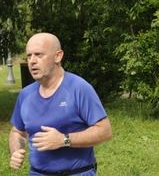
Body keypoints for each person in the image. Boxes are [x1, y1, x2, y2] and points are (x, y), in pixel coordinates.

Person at [9, 32, 112, 175]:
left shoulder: (79, 88)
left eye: (39, 55)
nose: (32, 61)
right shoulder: (25, 95)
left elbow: (104, 131)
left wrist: (64, 140)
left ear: (58, 56)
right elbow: (18, 132)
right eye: (29, 56)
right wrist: (16, 151)